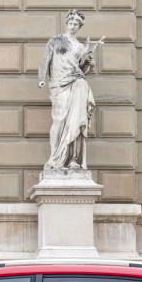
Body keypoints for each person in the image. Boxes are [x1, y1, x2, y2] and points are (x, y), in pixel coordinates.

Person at [37, 10, 103, 170]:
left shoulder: (80, 46)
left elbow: (82, 68)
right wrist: (41, 79)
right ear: (67, 23)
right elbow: (45, 60)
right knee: (59, 121)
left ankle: (73, 159)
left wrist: (88, 63)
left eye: (76, 24)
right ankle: (54, 157)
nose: (73, 26)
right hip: (59, 84)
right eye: (71, 23)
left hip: (77, 82)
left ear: (79, 26)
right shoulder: (56, 40)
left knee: (75, 120)